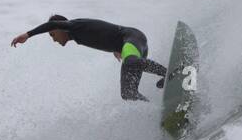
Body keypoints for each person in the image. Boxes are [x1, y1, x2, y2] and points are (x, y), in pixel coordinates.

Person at [11, 14, 168, 101]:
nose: (53, 39)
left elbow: (50, 25)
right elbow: (101, 33)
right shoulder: (76, 35)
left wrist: (28, 35)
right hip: (128, 48)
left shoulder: (75, 25)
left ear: (59, 27)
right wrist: (115, 48)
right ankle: (154, 108)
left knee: (130, 61)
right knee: (128, 93)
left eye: (52, 34)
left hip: (132, 38)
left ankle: (168, 73)